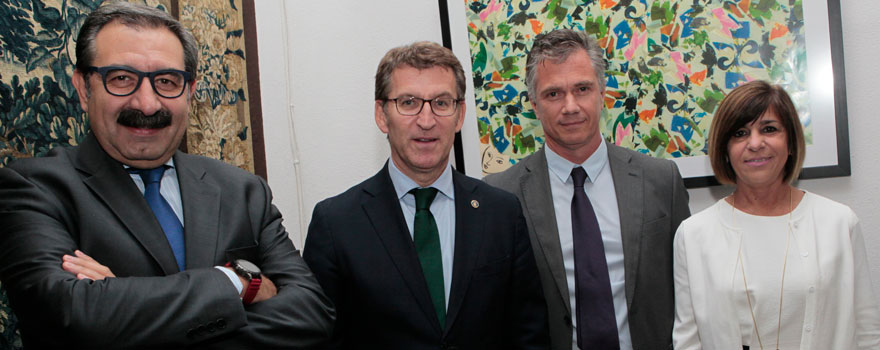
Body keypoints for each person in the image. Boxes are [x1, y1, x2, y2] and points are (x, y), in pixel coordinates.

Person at [0, 2, 333, 348]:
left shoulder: (243, 191)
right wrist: (237, 282)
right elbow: (70, 316)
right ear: (85, 89)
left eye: (166, 81)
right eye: (122, 79)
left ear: (189, 92)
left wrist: (126, 310)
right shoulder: (35, 188)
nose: (147, 104)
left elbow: (311, 315)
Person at [303, 41, 550, 349]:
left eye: (442, 103)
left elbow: (529, 334)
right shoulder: (335, 224)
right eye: (408, 102)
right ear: (382, 114)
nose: (426, 120)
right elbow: (319, 340)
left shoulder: (501, 212)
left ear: (459, 115)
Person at [484, 28, 690, 350]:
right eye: (553, 94)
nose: (570, 106)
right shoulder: (502, 196)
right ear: (534, 105)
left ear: (602, 94)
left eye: (582, 89)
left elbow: (689, 294)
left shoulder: (661, 181)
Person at [672, 80, 880, 349]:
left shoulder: (839, 223)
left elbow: (866, 333)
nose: (755, 143)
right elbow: (688, 341)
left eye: (769, 129)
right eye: (739, 133)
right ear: (724, 150)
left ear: (791, 142)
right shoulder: (694, 235)